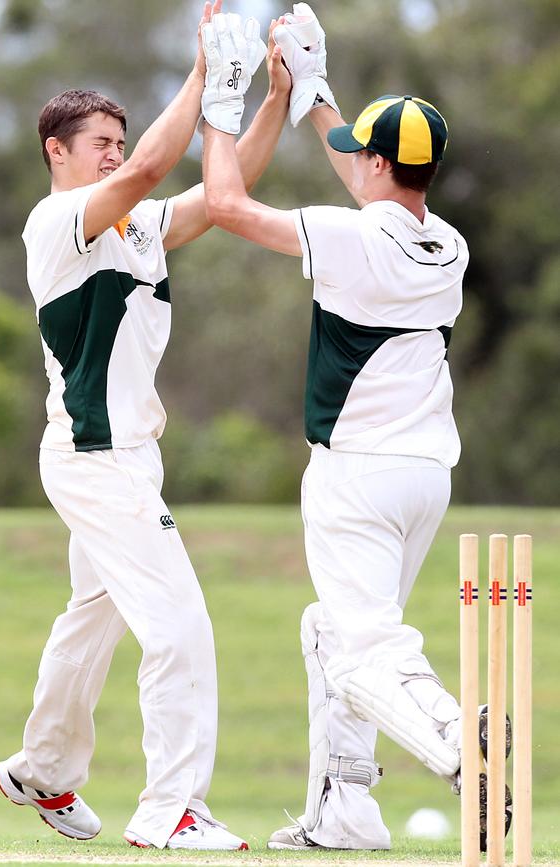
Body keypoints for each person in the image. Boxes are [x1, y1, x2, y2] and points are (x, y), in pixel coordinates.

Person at [0, 1, 290, 851]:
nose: (117, 156)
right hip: (98, 456)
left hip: (122, 455)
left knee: (94, 616)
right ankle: (172, 807)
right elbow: (161, 164)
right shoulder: (58, 223)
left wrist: (274, 95)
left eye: (119, 144)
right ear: (59, 151)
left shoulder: (133, 224)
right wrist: (204, 74)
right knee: (180, 625)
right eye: (101, 145)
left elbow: (221, 192)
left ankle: (41, 770)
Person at [200, 4, 475, 851]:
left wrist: (226, 100)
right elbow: (367, 179)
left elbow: (225, 201)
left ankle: (462, 743)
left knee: (363, 650)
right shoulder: (450, 247)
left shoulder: (351, 238)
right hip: (424, 477)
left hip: (356, 474)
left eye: (364, 151)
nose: (354, 161)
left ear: (381, 162)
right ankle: (346, 808)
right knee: (333, 630)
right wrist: (318, 91)